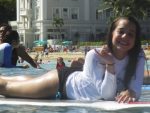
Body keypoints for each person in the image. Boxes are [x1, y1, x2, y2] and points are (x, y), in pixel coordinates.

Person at [0, 16, 145, 103]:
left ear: (136, 39)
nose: (125, 36)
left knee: (16, 81)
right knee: (7, 88)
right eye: (121, 31)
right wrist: (110, 65)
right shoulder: (95, 55)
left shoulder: (138, 57)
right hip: (60, 83)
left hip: (73, 77)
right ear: (111, 34)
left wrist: (132, 92)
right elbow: (106, 96)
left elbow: (136, 87)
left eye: (131, 34)